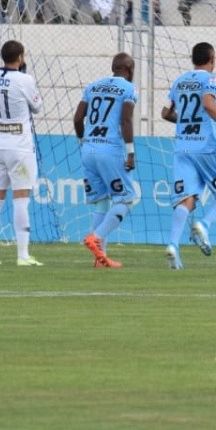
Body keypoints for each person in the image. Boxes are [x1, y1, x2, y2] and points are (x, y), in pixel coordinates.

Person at [160, 41, 216, 270]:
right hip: (205, 145)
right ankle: (204, 224)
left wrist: (184, 121)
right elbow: (207, 103)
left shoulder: (179, 81)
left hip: (183, 147)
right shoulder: (211, 79)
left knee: (186, 199)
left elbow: (166, 113)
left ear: (193, 59)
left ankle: (173, 245)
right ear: (212, 59)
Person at [0, 39, 43, 267]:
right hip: (19, 146)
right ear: (20, 57)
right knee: (21, 200)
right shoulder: (25, 79)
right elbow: (37, 106)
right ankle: (23, 255)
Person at [74, 52, 137, 269]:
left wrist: (84, 140)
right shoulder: (128, 89)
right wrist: (130, 152)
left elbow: (77, 118)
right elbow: (126, 119)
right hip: (110, 150)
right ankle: (96, 238)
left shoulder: (92, 87)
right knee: (126, 199)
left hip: (88, 149)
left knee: (102, 202)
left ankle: (100, 259)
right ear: (129, 71)